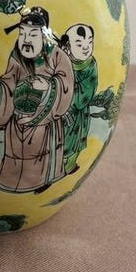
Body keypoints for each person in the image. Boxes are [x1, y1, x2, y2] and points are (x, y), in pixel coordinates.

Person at [0, 7, 74, 194]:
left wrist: (48, 87)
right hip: (18, 113)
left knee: (39, 146)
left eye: (32, 35)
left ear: (44, 35)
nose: (26, 40)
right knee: (13, 147)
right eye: (22, 34)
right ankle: (6, 180)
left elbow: (66, 84)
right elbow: (9, 82)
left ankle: (44, 179)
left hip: (44, 116)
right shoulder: (17, 55)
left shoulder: (57, 56)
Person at [59, 24, 98, 174]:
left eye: (89, 42)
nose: (86, 47)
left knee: (72, 141)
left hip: (77, 114)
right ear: (68, 46)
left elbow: (85, 94)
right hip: (60, 112)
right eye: (79, 44)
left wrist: (66, 106)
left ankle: (68, 166)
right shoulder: (63, 62)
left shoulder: (90, 66)